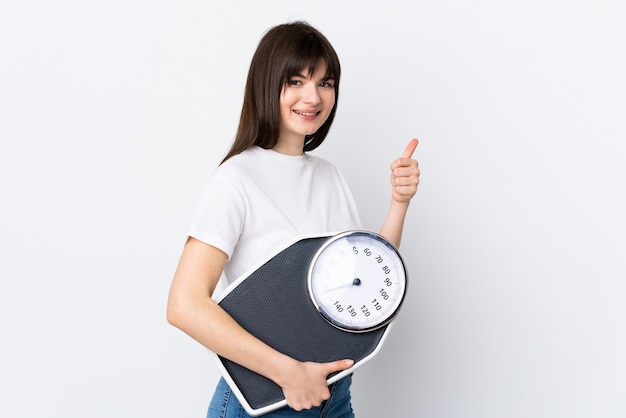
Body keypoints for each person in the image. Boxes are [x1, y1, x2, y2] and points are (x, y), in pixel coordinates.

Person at [167, 21, 420, 418]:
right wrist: (288, 373)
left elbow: (365, 284)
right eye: (297, 81)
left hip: (334, 398)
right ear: (268, 86)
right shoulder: (235, 181)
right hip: (267, 401)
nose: (312, 96)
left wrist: (399, 203)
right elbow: (184, 305)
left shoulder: (329, 175)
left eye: (325, 83)